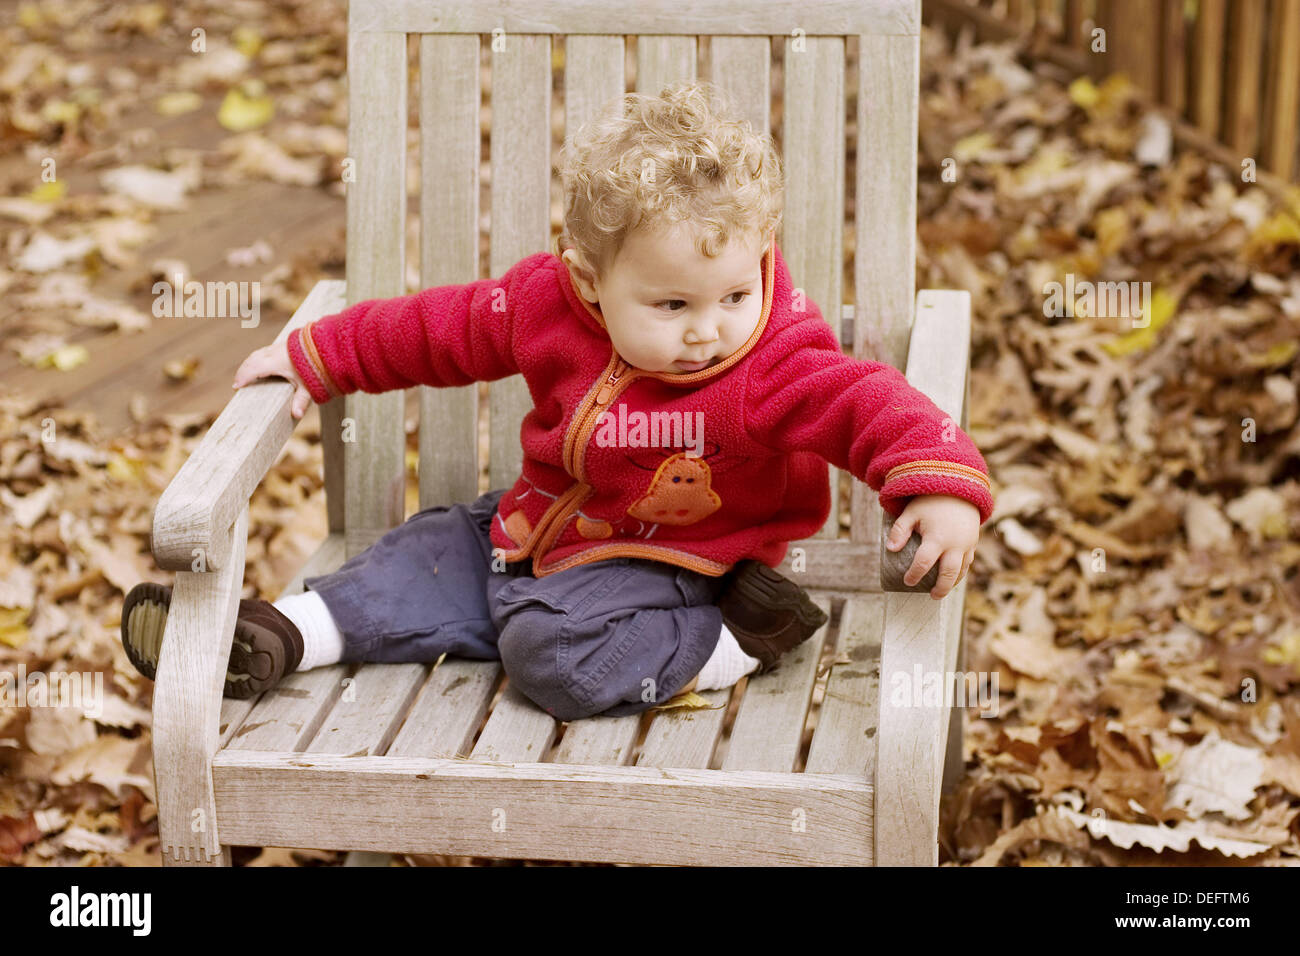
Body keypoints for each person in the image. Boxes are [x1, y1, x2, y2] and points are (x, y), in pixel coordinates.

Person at [121, 82, 993, 721]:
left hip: (676, 570)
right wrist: (318, 355)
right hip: (535, 527)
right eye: (673, 306)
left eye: (733, 294)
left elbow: (866, 402)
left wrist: (940, 480)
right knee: (423, 551)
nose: (709, 331)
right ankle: (278, 638)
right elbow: (438, 329)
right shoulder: (544, 303)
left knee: (550, 654)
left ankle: (746, 640)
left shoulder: (770, 362)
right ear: (589, 277)